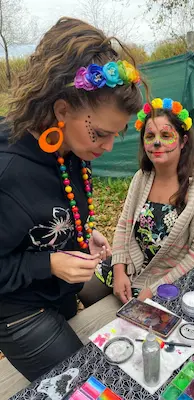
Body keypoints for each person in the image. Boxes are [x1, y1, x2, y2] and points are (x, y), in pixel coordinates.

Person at [0, 17, 145, 381]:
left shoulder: (72, 145)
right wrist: (47, 264)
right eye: (100, 133)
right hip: (19, 308)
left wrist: (80, 234)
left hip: (60, 287)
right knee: (86, 384)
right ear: (62, 110)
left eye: (117, 134)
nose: (108, 146)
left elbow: (52, 209)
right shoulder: (9, 172)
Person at [92, 97, 194, 304]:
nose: (156, 142)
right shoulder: (141, 178)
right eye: (150, 136)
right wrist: (119, 270)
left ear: (183, 141)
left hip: (171, 280)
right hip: (132, 266)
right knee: (83, 287)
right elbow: (123, 226)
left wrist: (154, 289)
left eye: (166, 135)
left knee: (101, 322)